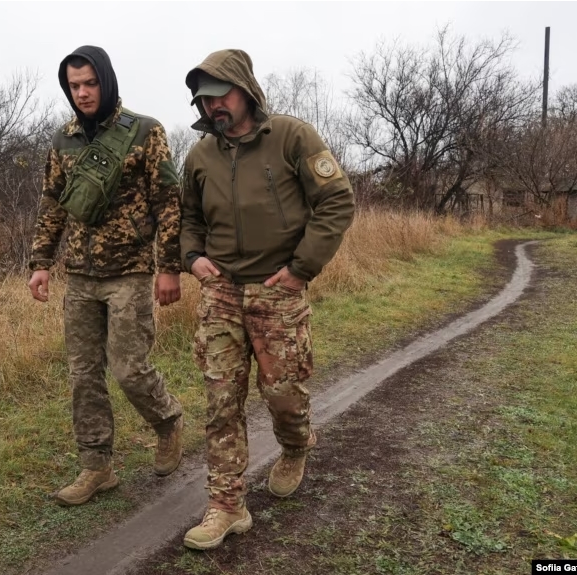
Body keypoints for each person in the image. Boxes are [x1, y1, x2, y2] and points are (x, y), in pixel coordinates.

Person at [179, 49, 355, 550]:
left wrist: (301, 269)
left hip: (277, 291)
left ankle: (296, 444)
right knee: (220, 400)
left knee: (283, 393)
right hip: (221, 292)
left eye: (219, 95)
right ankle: (227, 505)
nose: (211, 106)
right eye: (202, 99)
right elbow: (188, 217)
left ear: (244, 89)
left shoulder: (292, 137)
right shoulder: (199, 156)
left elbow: (336, 200)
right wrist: (192, 256)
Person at [27, 45, 185, 506]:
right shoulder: (63, 140)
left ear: (106, 81)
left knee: (129, 368)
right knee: (83, 375)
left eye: (90, 83)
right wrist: (40, 263)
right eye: (74, 86)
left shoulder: (144, 133)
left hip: (131, 272)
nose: (82, 93)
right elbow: (52, 204)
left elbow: (168, 203)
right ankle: (96, 467)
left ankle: (168, 421)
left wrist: (169, 267)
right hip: (78, 275)